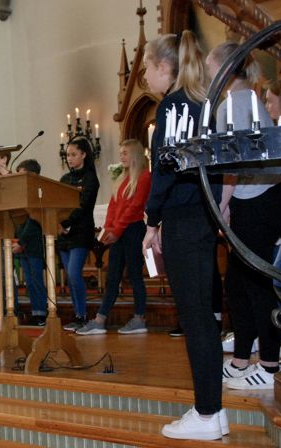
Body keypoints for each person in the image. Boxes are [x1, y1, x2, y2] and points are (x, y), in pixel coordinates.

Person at [142, 30, 227, 440]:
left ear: (163, 67)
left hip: (182, 219)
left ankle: (207, 413)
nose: (144, 76)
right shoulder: (203, 103)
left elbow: (163, 172)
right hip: (203, 217)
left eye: (146, 67)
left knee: (195, 320)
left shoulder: (174, 106)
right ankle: (216, 412)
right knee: (202, 318)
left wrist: (152, 220)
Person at [208, 41, 281, 391]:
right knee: (239, 285)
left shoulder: (234, 104)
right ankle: (243, 358)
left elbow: (233, 165)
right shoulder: (249, 100)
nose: (210, 78)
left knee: (255, 285)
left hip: (254, 202)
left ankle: (269, 366)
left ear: (226, 71)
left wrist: (221, 208)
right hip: (264, 198)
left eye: (212, 71)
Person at [77, 140, 151, 336]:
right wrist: (109, 229)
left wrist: (116, 230)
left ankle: (139, 317)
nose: (121, 156)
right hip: (119, 231)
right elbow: (113, 206)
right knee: (113, 276)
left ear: (135, 155)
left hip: (133, 230)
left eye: (125, 153)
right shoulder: (121, 178)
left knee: (135, 275)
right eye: (121, 153)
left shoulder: (144, 177)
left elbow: (134, 207)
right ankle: (100, 319)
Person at [58, 137, 99, 332]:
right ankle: (77, 315)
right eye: (68, 155)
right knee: (69, 276)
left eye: (74, 154)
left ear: (84, 154)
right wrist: (59, 223)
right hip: (64, 234)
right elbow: (56, 201)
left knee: (75, 274)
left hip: (80, 232)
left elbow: (84, 205)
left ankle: (83, 315)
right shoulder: (65, 179)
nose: (70, 158)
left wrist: (66, 222)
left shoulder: (90, 177)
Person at [12, 159, 48, 326]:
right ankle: (36, 312)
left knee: (36, 281)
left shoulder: (38, 193)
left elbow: (33, 223)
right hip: (23, 244)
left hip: (33, 244)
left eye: (22, 175)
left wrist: (22, 241)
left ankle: (42, 313)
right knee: (29, 281)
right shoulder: (21, 193)